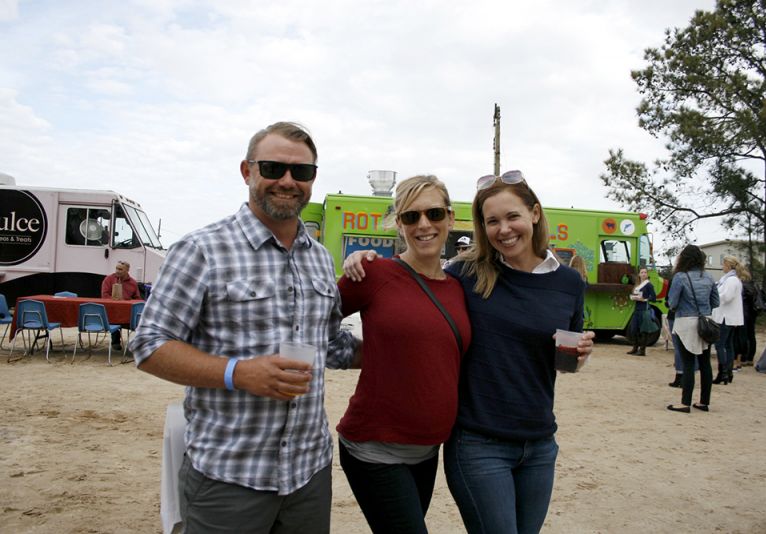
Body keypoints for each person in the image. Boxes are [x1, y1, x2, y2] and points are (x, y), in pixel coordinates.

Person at [129, 122, 360, 533]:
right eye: (273, 168)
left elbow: (331, 346)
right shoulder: (202, 249)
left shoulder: (321, 258)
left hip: (309, 476)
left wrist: (403, 347)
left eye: (301, 172)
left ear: (313, 179)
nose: (287, 181)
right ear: (247, 171)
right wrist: (240, 373)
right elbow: (148, 344)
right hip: (228, 479)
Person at [343, 170, 594, 533]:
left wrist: (579, 356)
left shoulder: (569, 282)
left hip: (538, 441)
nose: (504, 229)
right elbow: (411, 275)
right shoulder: (467, 274)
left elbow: (562, 360)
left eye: (512, 217)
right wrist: (365, 259)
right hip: (478, 441)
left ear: (535, 214)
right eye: (492, 221)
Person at [336, 175, 471, 533]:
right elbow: (309, 323)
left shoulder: (460, 287)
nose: (424, 225)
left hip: (428, 451)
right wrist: (359, 353)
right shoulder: (372, 272)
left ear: (450, 218)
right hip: (373, 448)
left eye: (434, 213)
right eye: (411, 217)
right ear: (399, 224)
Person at [666, 244, 720, 413]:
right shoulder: (709, 277)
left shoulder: (680, 277)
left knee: (688, 362)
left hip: (686, 322)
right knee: (705, 363)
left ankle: (685, 402)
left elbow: (672, 302)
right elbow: (716, 302)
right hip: (706, 322)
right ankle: (704, 402)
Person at [712, 255, 744, 384]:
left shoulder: (731, 280)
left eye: (723, 264)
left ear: (729, 266)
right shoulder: (728, 279)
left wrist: (715, 296)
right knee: (728, 345)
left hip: (726, 317)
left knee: (720, 345)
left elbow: (727, 296)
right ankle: (728, 372)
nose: (722, 267)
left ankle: (723, 372)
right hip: (728, 317)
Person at [100, 260, 141, 350]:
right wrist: (114, 300)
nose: (117, 271)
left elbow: (137, 298)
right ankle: (115, 342)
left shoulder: (133, 283)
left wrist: (127, 301)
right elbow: (104, 295)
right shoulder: (109, 279)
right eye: (116, 268)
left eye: (120, 269)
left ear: (127, 270)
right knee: (113, 316)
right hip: (112, 311)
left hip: (128, 312)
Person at [627, 267, 657, 356]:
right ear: (639, 274)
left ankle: (642, 350)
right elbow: (635, 295)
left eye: (645, 272)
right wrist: (633, 297)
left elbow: (654, 298)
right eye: (642, 272)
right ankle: (635, 348)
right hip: (637, 309)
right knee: (633, 329)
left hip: (644, 309)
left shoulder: (649, 285)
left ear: (647, 275)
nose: (643, 274)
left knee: (643, 331)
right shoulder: (637, 285)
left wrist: (644, 299)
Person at [735, 268, 759, 369]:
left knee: (742, 336)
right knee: (751, 335)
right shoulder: (754, 285)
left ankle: (743, 357)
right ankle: (750, 358)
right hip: (752, 313)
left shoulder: (741, 286)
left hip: (743, 312)